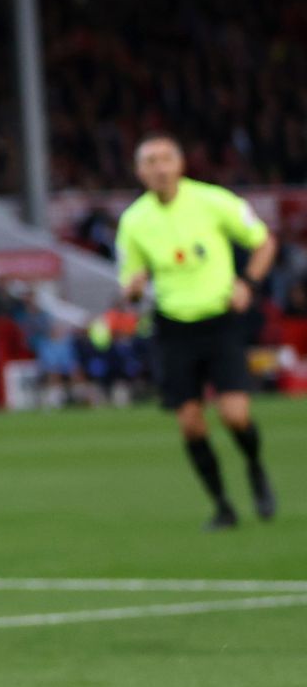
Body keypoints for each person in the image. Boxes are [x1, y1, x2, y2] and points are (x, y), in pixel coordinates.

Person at [117, 134, 277, 528]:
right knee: (190, 421)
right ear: (139, 172)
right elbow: (129, 282)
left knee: (235, 415)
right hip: (173, 327)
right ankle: (222, 504)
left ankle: (255, 466)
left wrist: (248, 284)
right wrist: (134, 289)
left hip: (219, 321)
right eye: (150, 161)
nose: (159, 167)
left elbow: (264, 242)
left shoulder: (212, 201)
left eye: (165, 158)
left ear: (181, 163)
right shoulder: (134, 221)